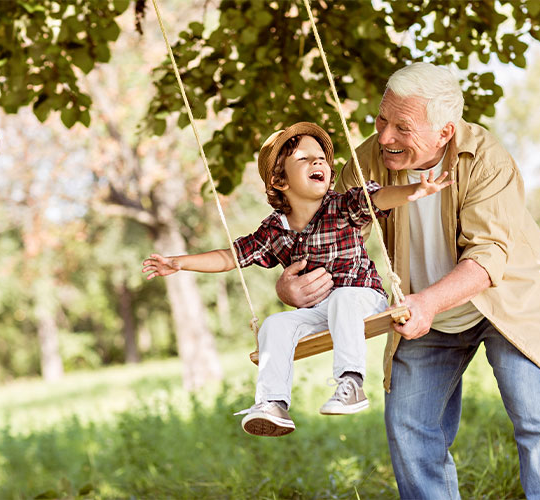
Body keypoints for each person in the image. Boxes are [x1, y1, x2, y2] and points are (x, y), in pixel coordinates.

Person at [275, 64, 540, 498]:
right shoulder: (368, 162)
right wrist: (292, 286)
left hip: (505, 299)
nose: (385, 137)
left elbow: (488, 256)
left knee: (533, 411)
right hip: (422, 309)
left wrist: (428, 303)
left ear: (444, 132)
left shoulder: (485, 157)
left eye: (402, 127)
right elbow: (323, 235)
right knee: (409, 426)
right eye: (381, 120)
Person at [142, 121, 452, 438]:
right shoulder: (274, 230)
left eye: (321, 158)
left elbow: (382, 198)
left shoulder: (344, 205)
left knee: (344, 299)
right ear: (280, 180)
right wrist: (179, 263)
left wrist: (415, 191)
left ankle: (351, 383)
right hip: (321, 311)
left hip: (361, 298)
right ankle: (272, 404)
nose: (318, 162)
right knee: (275, 325)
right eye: (304, 159)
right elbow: (230, 256)